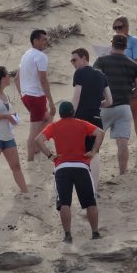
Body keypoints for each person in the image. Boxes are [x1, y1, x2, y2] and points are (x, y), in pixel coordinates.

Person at [35, 102, 104, 243]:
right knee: (90, 202)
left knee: (64, 203)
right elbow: (100, 133)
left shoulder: (54, 126)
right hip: (81, 166)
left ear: (60, 114)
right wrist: (93, 151)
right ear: (73, 112)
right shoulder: (81, 123)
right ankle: (95, 233)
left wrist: (50, 155)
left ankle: (67, 235)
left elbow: (38, 139)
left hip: (62, 167)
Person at [93, 35, 137, 174]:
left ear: (112, 45)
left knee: (95, 140)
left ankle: (91, 169)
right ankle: (122, 172)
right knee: (122, 142)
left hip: (105, 106)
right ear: (126, 47)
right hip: (124, 107)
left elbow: (95, 80)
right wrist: (129, 94)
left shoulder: (101, 60)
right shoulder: (133, 65)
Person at [70, 48, 112, 192]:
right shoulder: (102, 75)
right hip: (96, 118)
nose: (73, 63)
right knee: (95, 153)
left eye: (74, 60)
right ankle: (94, 189)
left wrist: (69, 117)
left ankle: (82, 187)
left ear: (84, 58)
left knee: (80, 152)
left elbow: (76, 99)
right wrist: (96, 104)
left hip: (81, 119)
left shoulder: (80, 73)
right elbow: (110, 101)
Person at [0, 66, 28, 198]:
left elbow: (4, 112)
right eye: (7, 75)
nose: (9, 77)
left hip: (8, 136)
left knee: (16, 166)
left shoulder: (5, 94)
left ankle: (25, 191)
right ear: (2, 78)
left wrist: (12, 117)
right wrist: (6, 116)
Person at [14, 29, 56, 161]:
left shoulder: (26, 55)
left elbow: (16, 78)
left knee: (47, 118)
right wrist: (51, 101)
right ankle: (30, 159)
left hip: (27, 96)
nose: (46, 42)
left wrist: (22, 95)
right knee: (34, 131)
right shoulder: (40, 56)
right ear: (35, 41)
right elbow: (43, 80)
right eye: (43, 39)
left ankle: (37, 148)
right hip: (36, 97)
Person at [112, 16, 137, 146]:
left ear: (127, 27)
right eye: (114, 28)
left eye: (119, 27)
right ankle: (122, 143)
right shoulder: (113, 42)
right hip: (117, 81)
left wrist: (122, 59)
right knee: (119, 113)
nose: (117, 30)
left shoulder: (134, 41)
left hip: (131, 79)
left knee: (136, 112)